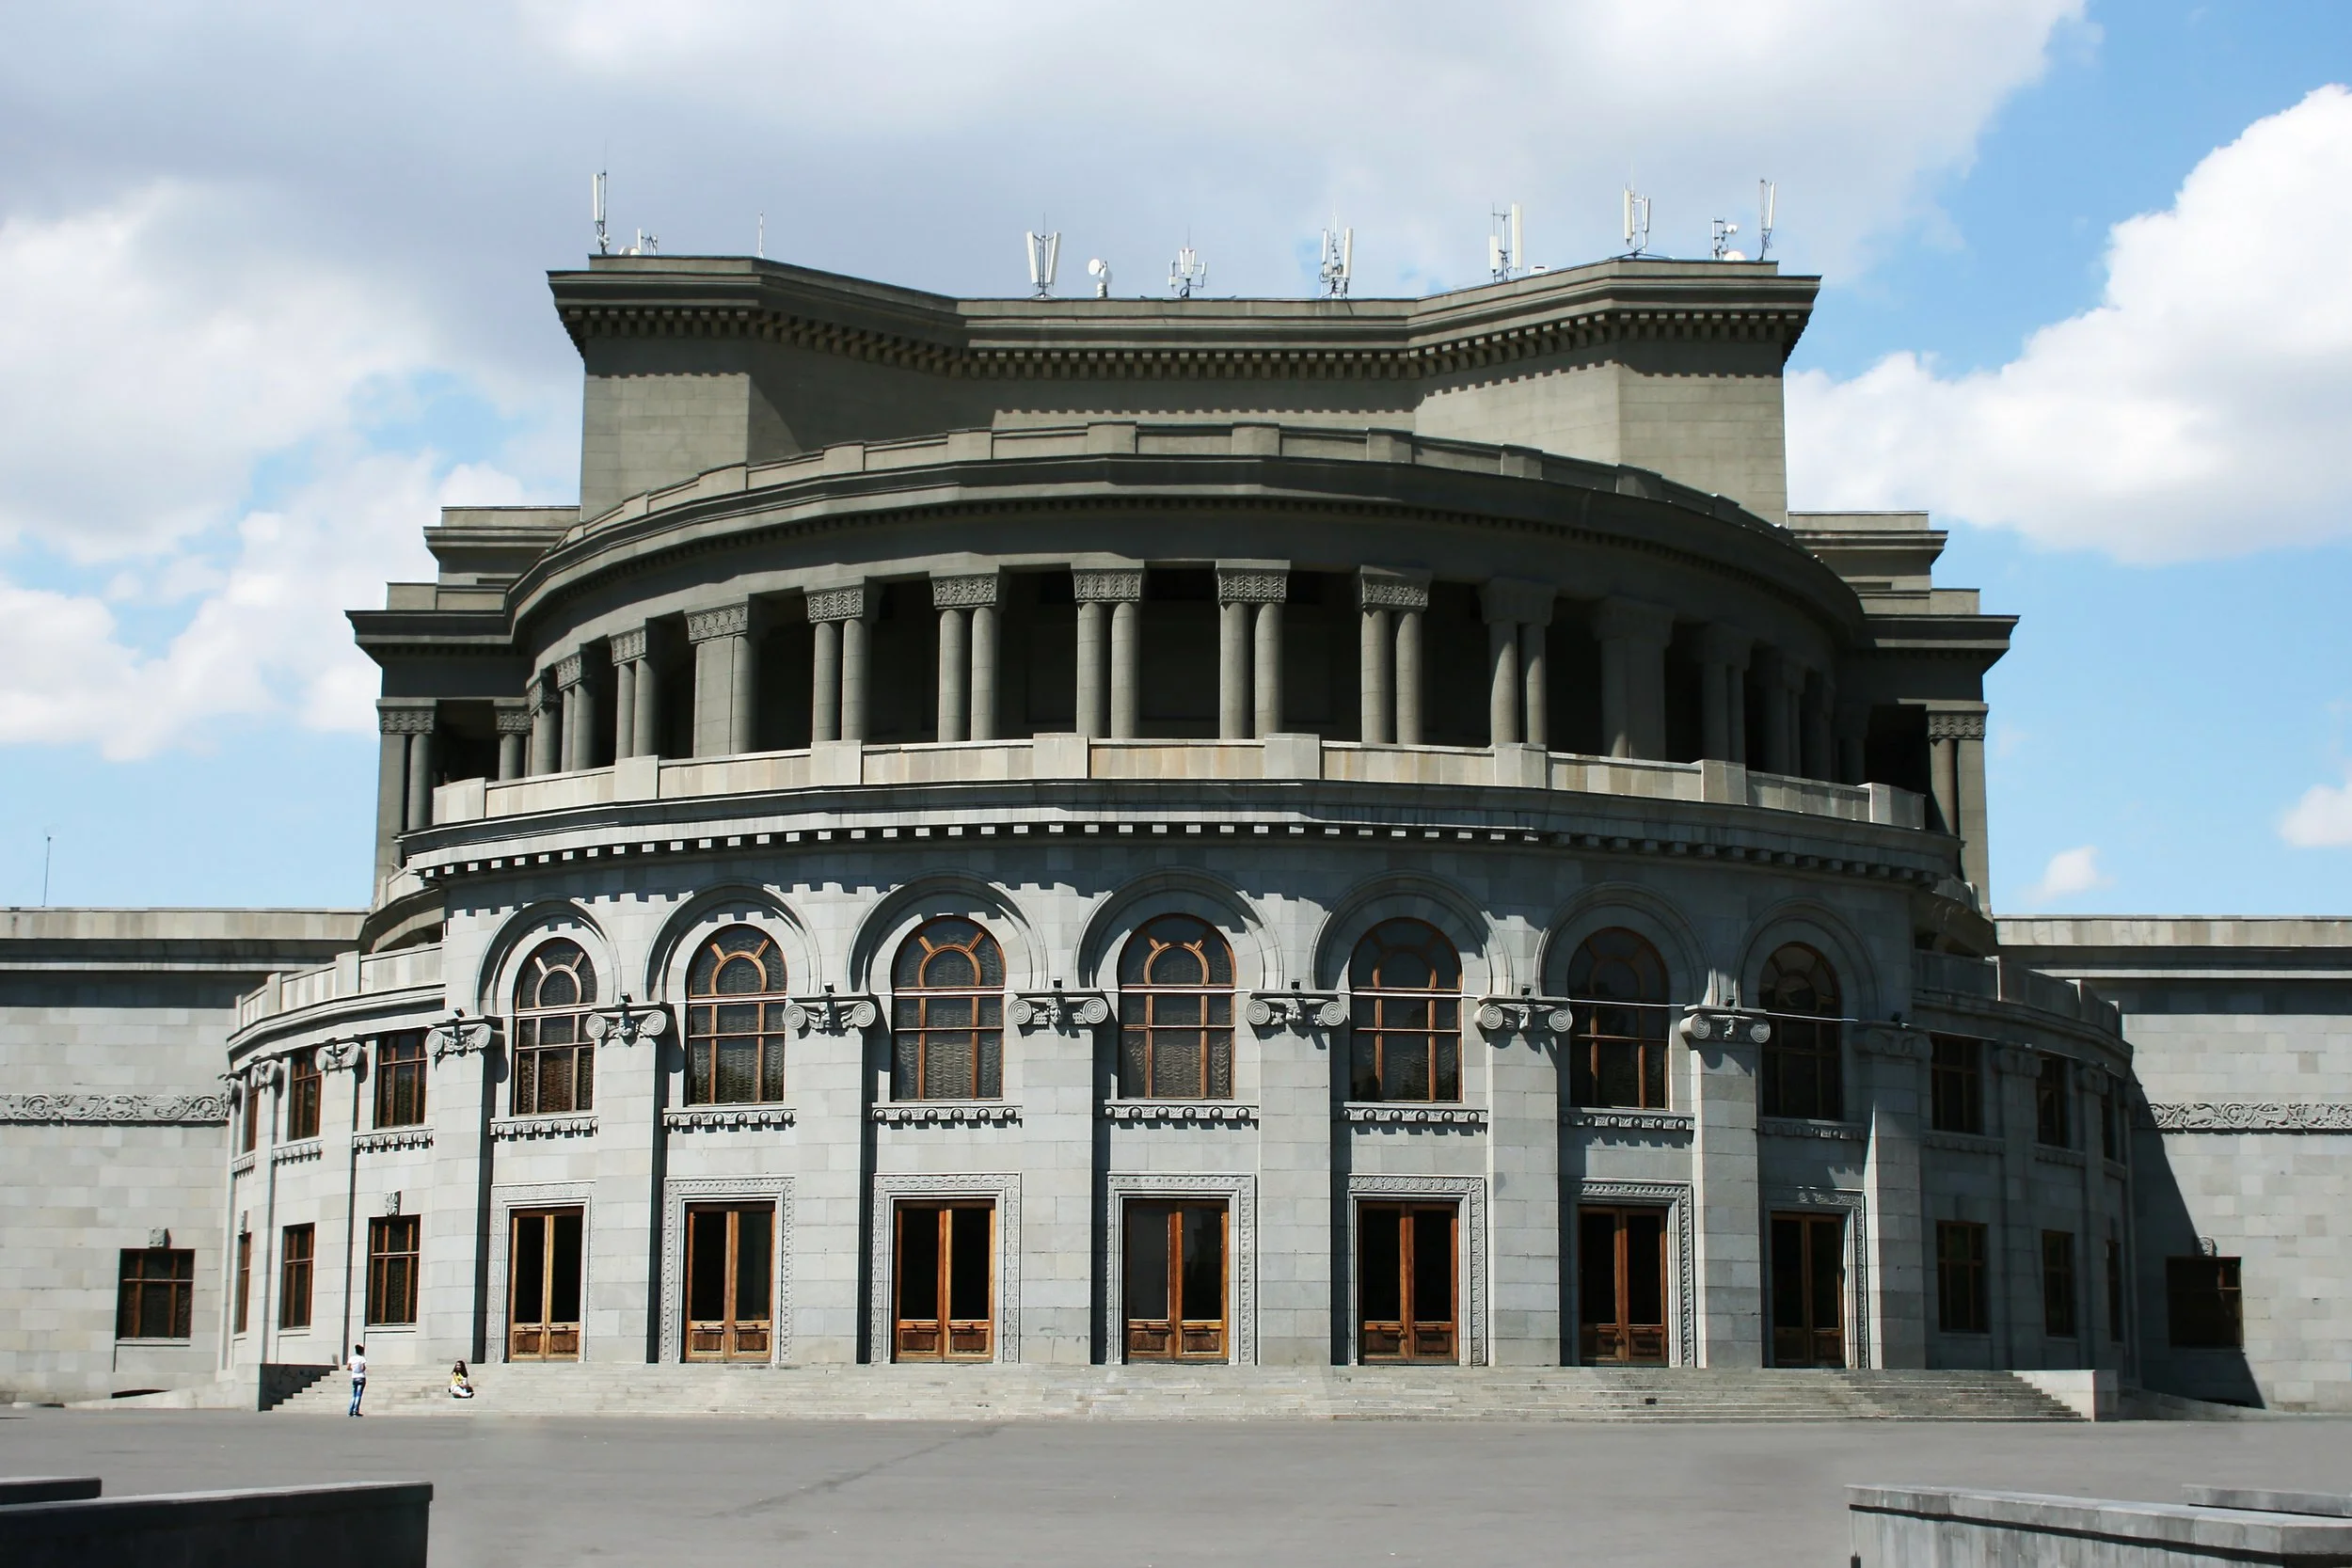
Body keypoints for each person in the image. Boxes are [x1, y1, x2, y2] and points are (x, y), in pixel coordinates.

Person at [347, 1343, 367, 1418]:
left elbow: (348, 1367)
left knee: (354, 1395)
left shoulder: (351, 1358)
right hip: (361, 1377)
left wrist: (354, 1369)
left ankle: (350, 1410)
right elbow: (363, 1368)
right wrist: (361, 1369)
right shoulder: (362, 1358)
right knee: (358, 1395)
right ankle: (356, 1411)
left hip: (354, 1377)